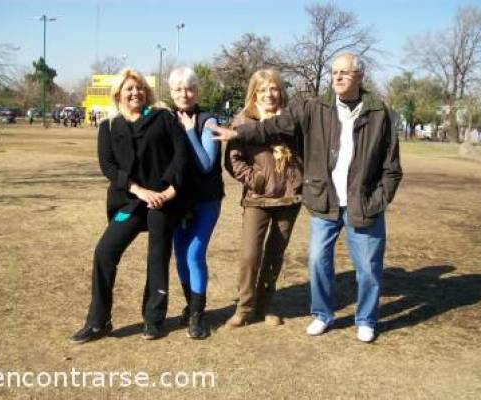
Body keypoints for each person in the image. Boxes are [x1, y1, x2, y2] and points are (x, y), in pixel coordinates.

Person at [210, 53, 403, 342]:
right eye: (334, 72)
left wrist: (378, 200)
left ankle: (366, 320)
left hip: (360, 204)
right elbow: (271, 127)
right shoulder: (316, 107)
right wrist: (237, 133)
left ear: (360, 77)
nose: (337, 77)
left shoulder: (380, 113)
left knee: (368, 268)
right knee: (316, 262)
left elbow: (392, 167)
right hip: (323, 202)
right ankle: (322, 314)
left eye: (344, 73)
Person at [71, 69, 189, 343]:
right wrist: (138, 190)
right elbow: (109, 166)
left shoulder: (163, 118)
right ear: (118, 94)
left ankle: (154, 319)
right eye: (128, 89)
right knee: (104, 252)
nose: (135, 93)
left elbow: (180, 154)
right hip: (130, 200)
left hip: (163, 201)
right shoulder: (109, 127)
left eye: (139, 88)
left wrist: (170, 190)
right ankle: (98, 321)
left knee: (157, 258)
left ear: (146, 91)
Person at [224, 69, 303, 328]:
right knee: (250, 254)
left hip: (289, 198)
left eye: (274, 89)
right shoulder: (243, 120)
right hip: (258, 198)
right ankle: (244, 307)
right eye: (262, 90)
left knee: (274, 255)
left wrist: (300, 179)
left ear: (280, 91)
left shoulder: (292, 118)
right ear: (254, 93)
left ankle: (265, 305)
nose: (269, 95)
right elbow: (234, 162)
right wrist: (257, 180)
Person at [168, 67, 224, 339]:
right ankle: (191, 307)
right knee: (179, 255)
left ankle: (198, 317)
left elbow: (206, 164)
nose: (184, 94)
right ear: (171, 93)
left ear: (196, 91)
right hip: (178, 202)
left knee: (194, 254)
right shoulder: (167, 120)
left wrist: (191, 132)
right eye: (178, 89)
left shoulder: (207, 121)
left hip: (207, 201)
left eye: (189, 88)